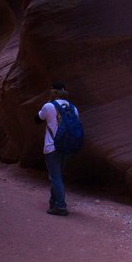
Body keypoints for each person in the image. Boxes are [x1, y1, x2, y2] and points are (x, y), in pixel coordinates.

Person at [36, 81, 79, 216]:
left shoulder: (49, 106)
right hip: (67, 147)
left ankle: (60, 206)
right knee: (58, 176)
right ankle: (53, 203)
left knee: (55, 177)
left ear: (52, 92)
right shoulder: (73, 108)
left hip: (52, 147)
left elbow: (37, 119)